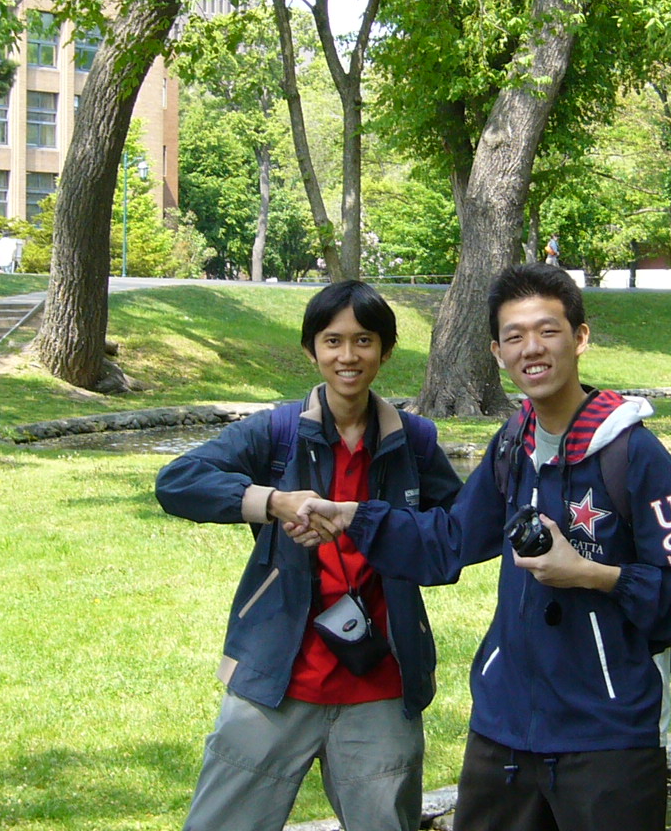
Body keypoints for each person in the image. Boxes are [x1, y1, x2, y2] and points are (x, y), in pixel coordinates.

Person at [299, 262, 671, 831]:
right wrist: (356, 516)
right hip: (503, 731)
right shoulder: (512, 444)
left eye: (548, 330)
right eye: (515, 336)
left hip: (607, 736)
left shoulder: (634, 456)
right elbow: (449, 541)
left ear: (580, 337)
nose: (533, 349)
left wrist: (594, 573)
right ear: (497, 352)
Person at [155, 280, 462, 831]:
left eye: (364, 340)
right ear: (311, 349)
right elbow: (177, 482)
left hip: (381, 682)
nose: (349, 356)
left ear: (386, 350)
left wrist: (389, 530)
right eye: (333, 341)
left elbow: (457, 534)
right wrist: (273, 502)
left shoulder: (413, 441)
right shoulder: (277, 433)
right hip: (277, 676)